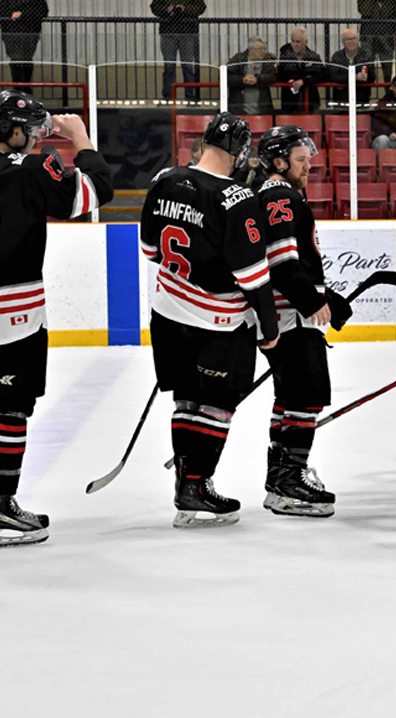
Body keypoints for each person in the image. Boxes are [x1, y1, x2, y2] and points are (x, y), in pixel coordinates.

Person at [140, 113, 278, 528]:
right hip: (217, 323)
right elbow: (253, 277)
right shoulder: (237, 197)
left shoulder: (164, 178)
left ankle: (187, 484)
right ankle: (197, 485)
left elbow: (150, 249)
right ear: (239, 152)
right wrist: (270, 329)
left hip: (167, 313)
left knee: (185, 398)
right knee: (217, 403)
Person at [0, 92, 112, 546]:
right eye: (29, 129)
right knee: (9, 409)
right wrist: (80, 137)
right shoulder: (29, 169)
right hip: (13, 315)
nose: (35, 137)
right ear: (11, 131)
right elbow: (93, 191)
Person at [257, 125, 351, 517]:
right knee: (308, 395)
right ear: (278, 162)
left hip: (289, 312)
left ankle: (280, 478)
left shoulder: (278, 193)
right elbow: (282, 263)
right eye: (300, 158)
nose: (309, 164)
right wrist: (312, 301)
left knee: (290, 397)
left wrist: (325, 297)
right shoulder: (279, 195)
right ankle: (291, 481)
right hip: (290, 314)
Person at [150, 0, 205, 102]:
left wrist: (185, 9)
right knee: (169, 66)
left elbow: (201, 7)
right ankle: (168, 96)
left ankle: (190, 97)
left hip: (188, 33)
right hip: (168, 33)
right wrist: (168, 9)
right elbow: (154, 7)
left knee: (187, 66)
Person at [278, 28, 324, 114]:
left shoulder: (313, 57)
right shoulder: (285, 56)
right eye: (293, 41)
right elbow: (281, 74)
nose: (295, 44)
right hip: (289, 100)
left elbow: (322, 74)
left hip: (310, 99)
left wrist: (303, 81)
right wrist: (300, 79)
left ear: (305, 42)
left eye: (298, 42)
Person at [0, 0, 47, 86]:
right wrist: (11, 15)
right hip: (11, 33)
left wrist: (22, 14)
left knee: (25, 60)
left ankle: (24, 87)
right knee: (16, 60)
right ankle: (20, 89)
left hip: (29, 33)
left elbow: (43, 11)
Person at [227, 37, 277, 116]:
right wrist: (242, 80)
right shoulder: (239, 59)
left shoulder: (267, 61)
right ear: (251, 50)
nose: (263, 52)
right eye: (260, 49)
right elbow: (226, 77)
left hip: (263, 109)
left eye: (264, 49)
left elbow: (273, 76)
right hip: (239, 109)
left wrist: (258, 79)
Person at [358, 0, 396, 84]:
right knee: (368, 65)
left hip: (387, 37)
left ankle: (388, 91)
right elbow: (365, 11)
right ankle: (367, 91)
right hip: (368, 37)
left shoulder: (391, 2)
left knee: (387, 67)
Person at [328, 28, 375, 109]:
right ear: (343, 42)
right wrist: (355, 77)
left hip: (360, 99)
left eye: (353, 38)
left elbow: (372, 77)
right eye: (348, 39)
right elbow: (333, 77)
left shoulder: (366, 56)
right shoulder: (337, 56)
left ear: (358, 40)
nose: (351, 42)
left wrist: (344, 82)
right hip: (341, 101)